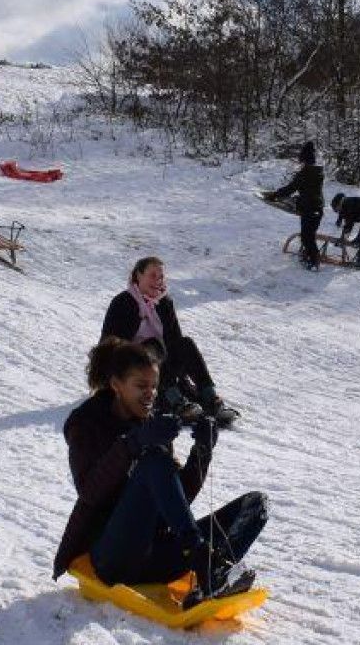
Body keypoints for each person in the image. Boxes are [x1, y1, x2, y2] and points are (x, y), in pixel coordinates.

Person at [52, 338, 267, 609]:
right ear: (117, 385)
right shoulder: (86, 423)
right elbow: (89, 492)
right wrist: (133, 444)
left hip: (155, 556)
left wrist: (201, 453)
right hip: (111, 557)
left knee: (255, 505)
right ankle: (204, 565)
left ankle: (212, 576)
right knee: (153, 461)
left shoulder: (151, 421)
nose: (150, 394)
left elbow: (176, 499)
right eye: (141, 386)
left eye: (154, 387)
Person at [100, 258, 241, 427]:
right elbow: (109, 346)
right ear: (138, 275)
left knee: (185, 344)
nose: (158, 281)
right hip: (131, 371)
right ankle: (176, 402)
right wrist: (140, 317)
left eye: (161, 277)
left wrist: (184, 381)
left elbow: (174, 342)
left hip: (161, 369)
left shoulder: (164, 302)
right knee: (152, 345)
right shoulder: (122, 302)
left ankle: (210, 398)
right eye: (153, 276)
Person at [262, 142, 325, 270]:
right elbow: (308, 190)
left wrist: (275, 195)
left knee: (308, 237)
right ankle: (308, 256)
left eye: (301, 160)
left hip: (310, 208)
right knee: (308, 235)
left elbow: (291, 188)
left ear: (304, 160)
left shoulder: (305, 173)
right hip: (317, 207)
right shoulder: (318, 172)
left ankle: (314, 262)